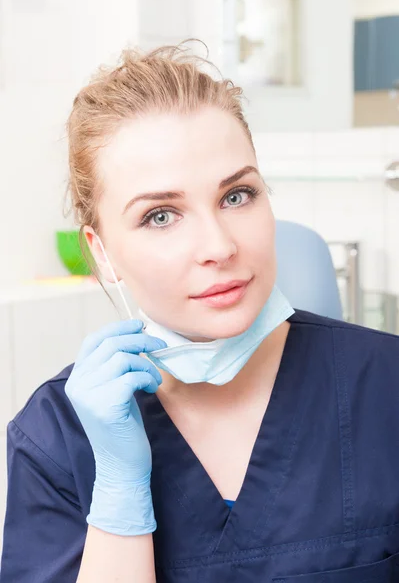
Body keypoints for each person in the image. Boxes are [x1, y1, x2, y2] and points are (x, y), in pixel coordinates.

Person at [1, 43, 399, 583]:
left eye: (237, 196)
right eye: (161, 215)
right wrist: (118, 493)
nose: (218, 246)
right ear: (101, 251)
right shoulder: (56, 439)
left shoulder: (385, 386)